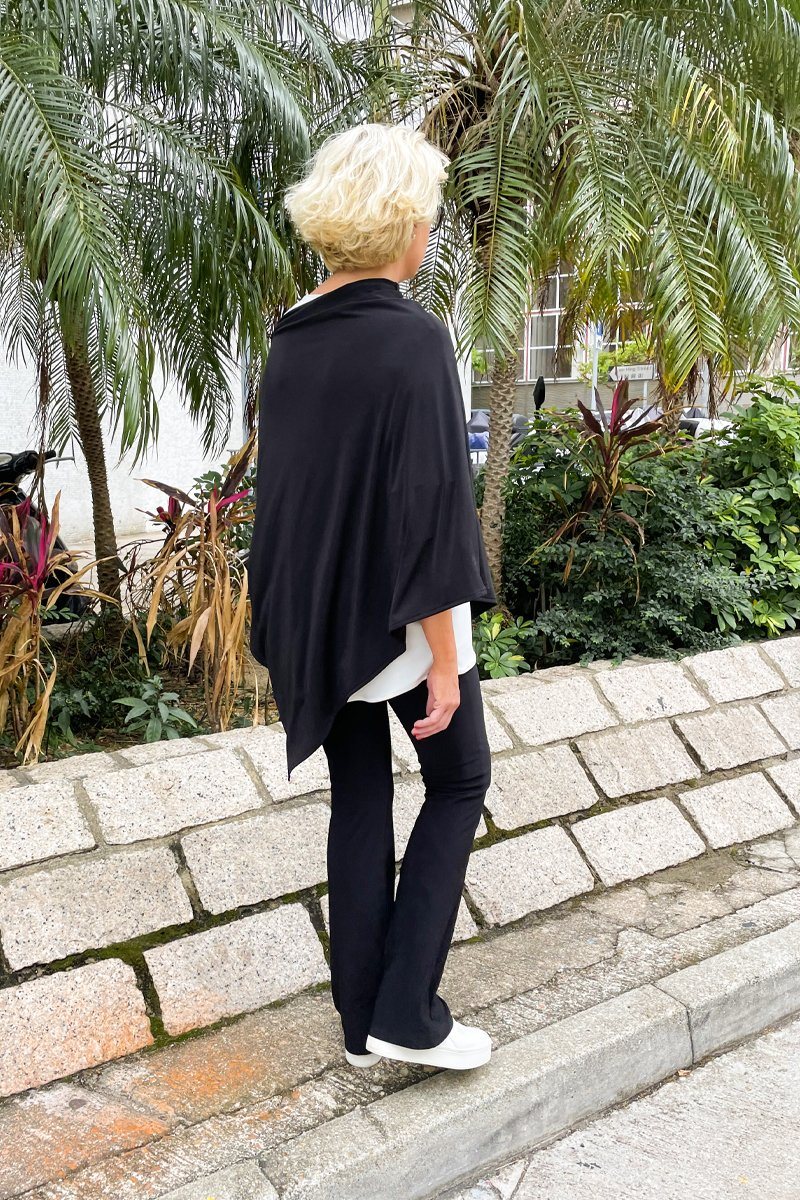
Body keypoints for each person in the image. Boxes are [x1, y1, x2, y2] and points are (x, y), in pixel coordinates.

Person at [248, 122, 498, 1072]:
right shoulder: (414, 338)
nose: (430, 232)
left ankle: (363, 1025)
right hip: (403, 614)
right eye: (426, 216)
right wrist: (444, 660)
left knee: (359, 797)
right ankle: (406, 1013)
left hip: (318, 611)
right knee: (459, 780)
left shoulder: (292, 334)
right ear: (401, 225)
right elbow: (429, 506)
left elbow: (296, 491)